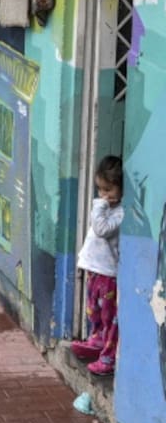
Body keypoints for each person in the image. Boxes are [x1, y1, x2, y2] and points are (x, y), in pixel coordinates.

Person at [70, 155, 123, 377]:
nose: (104, 196)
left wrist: (99, 205)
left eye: (109, 190)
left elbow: (101, 229)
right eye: (100, 190)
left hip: (109, 273)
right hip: (94, 269)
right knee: (95, 311)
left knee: (110, 317)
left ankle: (108, 356)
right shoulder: (104, 208)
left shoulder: (120, 212)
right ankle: (97, 340)